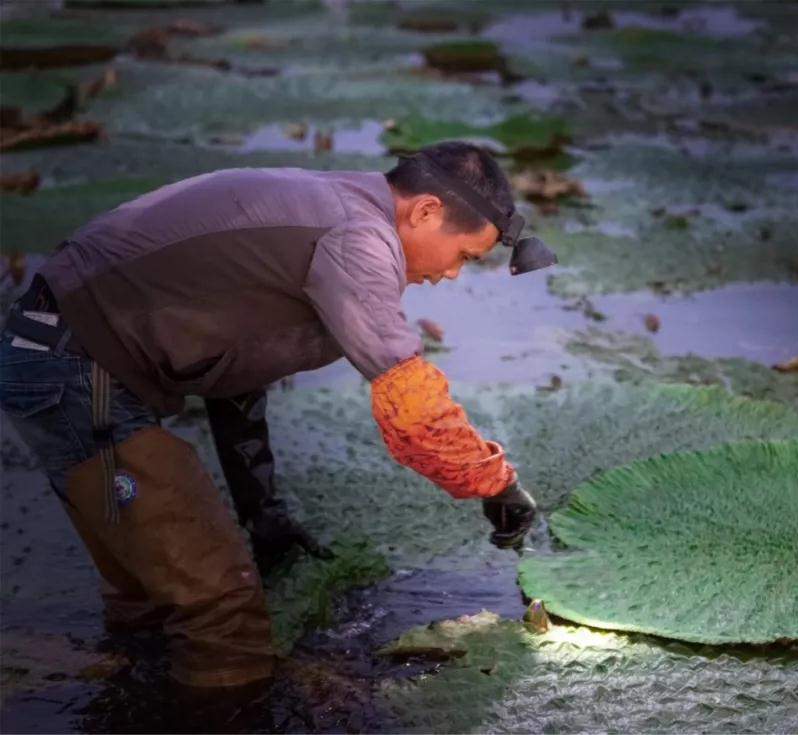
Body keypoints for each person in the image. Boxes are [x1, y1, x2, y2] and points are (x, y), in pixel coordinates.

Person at [0, 141, 551, 688]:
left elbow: (231, 365)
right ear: (426, 210)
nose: (453, 275)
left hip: (54, 351)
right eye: (464, 256)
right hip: (74, 368)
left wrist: (262, 512)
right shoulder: (359, 238)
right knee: (222, 609)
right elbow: (413, 412)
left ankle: (134, 702)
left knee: (152, 592)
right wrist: (497, 486)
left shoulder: (336, 204)